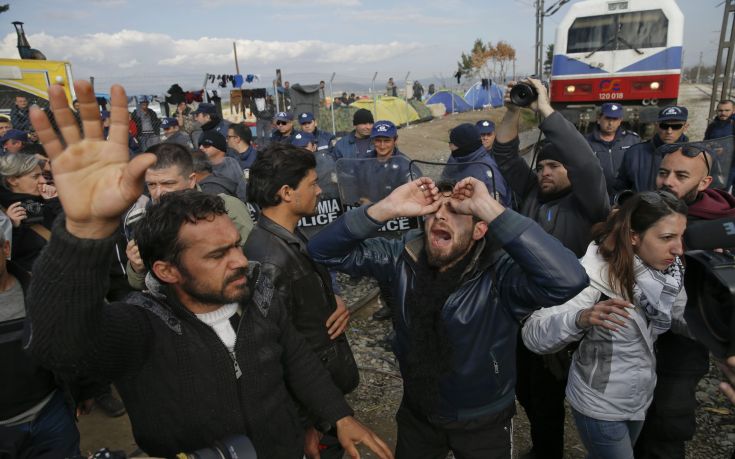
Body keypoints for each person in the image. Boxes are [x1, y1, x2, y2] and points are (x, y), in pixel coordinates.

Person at [25, 80, 393, 459]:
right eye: (218, 255)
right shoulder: (142, 327)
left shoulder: (259, 293)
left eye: (235, 243)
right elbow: (58, 345)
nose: (239, 259)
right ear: (168, 271)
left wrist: (336, 415)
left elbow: (297, 358)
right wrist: (82, 235)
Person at [308, 175, 588, 459]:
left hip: (483, 421)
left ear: (480, 229)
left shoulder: (499, 273)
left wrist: (490, 208)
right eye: (433, 211)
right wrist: (387, 207)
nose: (440, 216)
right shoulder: (401, 256)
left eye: (455, 211)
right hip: (419, 414)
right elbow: (321, 251)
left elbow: (569, 280)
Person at [493, 79, 610, 459]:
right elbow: (506, 155)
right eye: (541, 164)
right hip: (521, 312)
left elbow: (586, 163)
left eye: (554, 165)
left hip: (562, 319)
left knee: (546, 399)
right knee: (526, 391)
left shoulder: (587, 204)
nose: (545, 172)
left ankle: (548, 452)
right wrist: (513, 108)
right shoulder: (531, 193)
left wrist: (544, 109)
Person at [522, 190, 688, 459]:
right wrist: (580, 318)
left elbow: (682, 317)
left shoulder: (670, 273)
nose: (679, 248)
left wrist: (718, 310)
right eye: (667, 237)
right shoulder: (590, 277)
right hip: (599, 404)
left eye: (681, 236)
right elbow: (533, 334)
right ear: (634, 236)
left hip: (639, 397)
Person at [244, 144, 358, 458]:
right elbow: (271, 354)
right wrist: (310, 422)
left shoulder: (284, 238)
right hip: (310, 417)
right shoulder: (270, 259)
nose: (320, 190)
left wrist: (330, 299)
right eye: (312, 183)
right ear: (286, 192)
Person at [635, 144, 735, 459]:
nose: (668, 182)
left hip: (684, 346)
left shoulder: (723, 226)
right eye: (663, 173)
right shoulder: (644, 211)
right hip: (637, 340)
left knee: (666, 424)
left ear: (705, 183)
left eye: (681, 176)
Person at [125, 143, 253, 291]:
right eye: (152, 185)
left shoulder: (227, 209)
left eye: (168, 183)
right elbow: (137, 283)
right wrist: (137, 267)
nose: (158, 193)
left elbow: (251, 264)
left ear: (191, 180)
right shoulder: (149, 219)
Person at [0, 232, 83, 458]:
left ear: (6, 248)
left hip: (50, 413)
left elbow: (66, 346)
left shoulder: (39, 291)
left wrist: (80, 391)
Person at [0, 153, 61, 273]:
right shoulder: (3, 214)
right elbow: (8, 260)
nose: (43, 181)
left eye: (42, 175)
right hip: (38, 282)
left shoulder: (51, 200)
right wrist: (11, 228)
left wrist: (56, 203)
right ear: (12, 180)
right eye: (35, 176)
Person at [614, 106, 690, 194]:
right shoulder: (634, 153)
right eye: (664, 126)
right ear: (657, 126)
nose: (669, 131)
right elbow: (620, 188)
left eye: (676, 126)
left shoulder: (695, 157)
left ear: (685, 127)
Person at [446, 123, 510, 207]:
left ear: (462, 145)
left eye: (451, 143)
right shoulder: (459, 160)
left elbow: (496, 208)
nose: (449, 146)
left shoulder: (485, 172)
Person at [585, 103, 640, 199]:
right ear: (599, 119)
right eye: (607, 118)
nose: (610, 123)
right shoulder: (586, 142)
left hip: (625, 197)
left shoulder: (632, 140)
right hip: (597, 196)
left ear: (620, 121)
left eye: (615, 119)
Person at [198, 130, 248, 202]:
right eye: (200, 144)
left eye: (206, 144)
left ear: (219, 147)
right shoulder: (198, 165)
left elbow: (242, 192)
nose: (201, 147)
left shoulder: (231, 163)